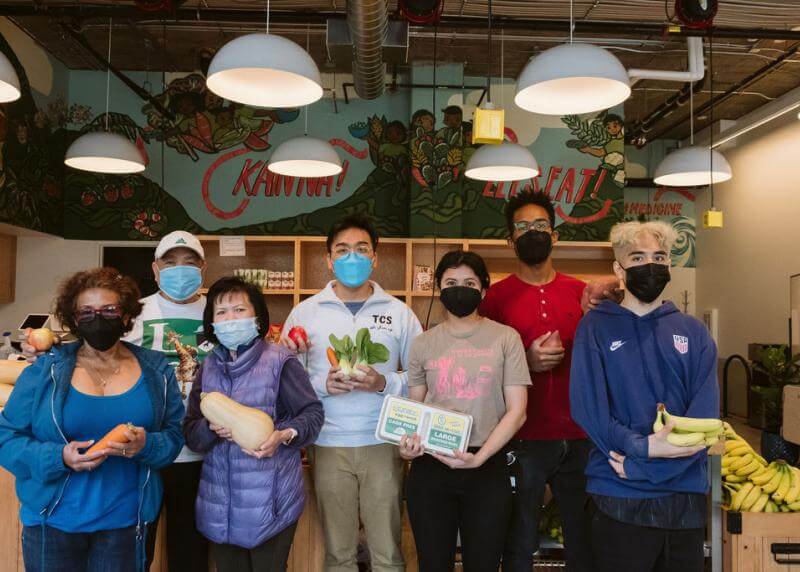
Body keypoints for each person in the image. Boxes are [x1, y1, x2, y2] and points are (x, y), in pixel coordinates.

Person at [22, 230, 212, 571]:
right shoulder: (134, 313)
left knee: (190, 551)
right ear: (155, 269)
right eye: (170, 262)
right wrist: (44, 351)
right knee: (142, 546)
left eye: (189, 262)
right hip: (131, 461)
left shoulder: (218, 312)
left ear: (202, 267)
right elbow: (86, 351)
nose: (179, 269)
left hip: (197, 449)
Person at [0, 267, 184, 572]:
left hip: (126, 525)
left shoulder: (156, 370)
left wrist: (147, 444)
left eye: (109, 310)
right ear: (74, 319)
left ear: (125, 316)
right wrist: (57, 456)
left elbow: (174, 436)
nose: (97, 318)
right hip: (53, 522)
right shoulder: (46, 371)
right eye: (86, 312)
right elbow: (6, 438)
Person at [570, 221, 718, 572]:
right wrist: (645, 447)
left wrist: (642, 466)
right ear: (618, 269)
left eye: (659, 256)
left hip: (682, 497)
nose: (649, 265)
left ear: (669, 266)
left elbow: (703, 422)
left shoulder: (693, 332)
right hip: (617, 495)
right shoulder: (595, 327)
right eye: (638, 257)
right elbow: (589, 411)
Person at [481, 190, 616, 572]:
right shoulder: (494, 299)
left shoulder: (582, 294)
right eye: (522, 227)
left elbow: (604, 358)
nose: (532, 232)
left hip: (582, 435)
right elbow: (482, 368)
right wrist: (524, 362)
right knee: (520, 541)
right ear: (510, 241)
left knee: (583, 539)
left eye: (540, 225)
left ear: (554, 235)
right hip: (523, 437)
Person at [281, 214, 423, 572]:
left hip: (383, 441)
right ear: (328, 259)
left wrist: (383, 383)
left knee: (387, 553)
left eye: (361, 250)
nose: (352, 258)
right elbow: (286, 380)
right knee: (338, 553)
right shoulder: (306, 312)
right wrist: (321, 386)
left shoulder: (400, 313)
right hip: (328, 442)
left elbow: (422, 377)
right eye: (342, 251)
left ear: (375, 257)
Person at [399, 250, 530, 571]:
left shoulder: (505, 338)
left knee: (484, 563)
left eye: (469, 282)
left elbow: (518, 411)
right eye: (451, 282)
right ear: (439, 289)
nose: (460, 289)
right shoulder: (423, 343)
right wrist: (408, 447)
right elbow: (416, 408)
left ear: (484, 290)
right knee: (432, 563)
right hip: (431, 468)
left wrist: (480, 458)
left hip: (487, 468)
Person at [183, 276, 324, 572]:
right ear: (212, 323)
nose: (230, 318)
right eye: (221, 312)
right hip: (219, 503)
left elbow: (312, 414)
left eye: (239, 310)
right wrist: (208, 430)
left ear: (257, 318)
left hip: (271, 502)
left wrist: (283, 435)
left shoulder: (280, 361)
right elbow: (191, 432)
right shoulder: (208, 367)